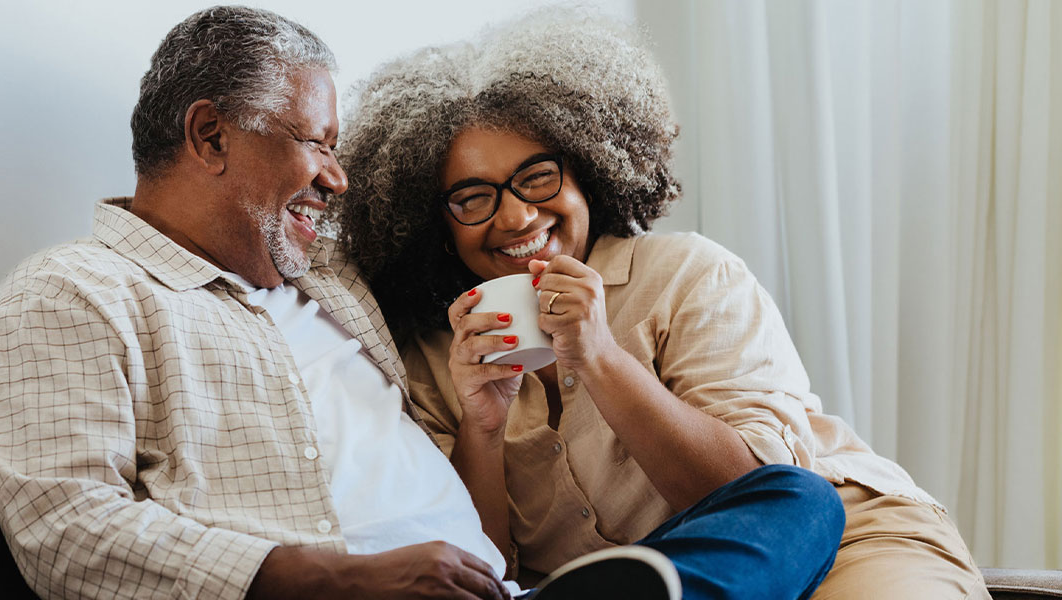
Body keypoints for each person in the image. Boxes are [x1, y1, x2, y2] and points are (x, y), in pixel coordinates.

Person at [0, 6, 841, 600]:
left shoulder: (339, 292)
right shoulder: (74, 295)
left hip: (502, 590)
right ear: (209, 136)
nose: (338, 178)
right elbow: (65, 531)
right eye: (317, 143)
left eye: (342, 149)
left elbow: (462, 513)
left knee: (800, 503)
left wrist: (485, 418)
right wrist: (339, 580)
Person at [334, 7, 989, 600]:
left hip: (840, 540)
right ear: (434, 222)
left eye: (538, 176)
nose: (516, 214)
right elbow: (486, 567)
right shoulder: (433, 356)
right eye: (473, 197)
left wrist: (598, 356)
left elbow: (755, 499)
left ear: (587, 171)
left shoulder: (686, 275)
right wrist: (481, 427)